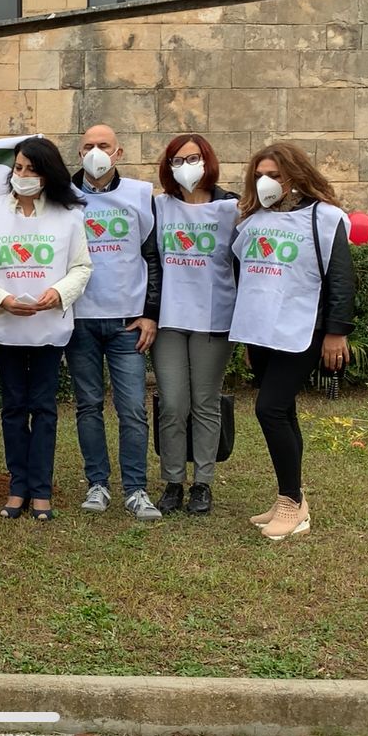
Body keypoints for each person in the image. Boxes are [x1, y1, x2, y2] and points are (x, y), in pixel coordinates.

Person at [231, 142, 354, 541]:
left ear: (295, 176)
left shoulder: (325, 218)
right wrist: (249, 339)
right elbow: (246, 280)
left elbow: (340, 278)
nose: (267, 182)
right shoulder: (250, 221)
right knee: (284, 412)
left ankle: (291, 503)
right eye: (260, 175)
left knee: (270, 409)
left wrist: (336, 332)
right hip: (262, 331)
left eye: (276, 174)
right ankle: (292, 498)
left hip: (304, 329)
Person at [0, 137, 91, 522]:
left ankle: (42, 490)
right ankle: (17, 486)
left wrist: (58, 293)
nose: (22, 176)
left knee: (44, 407)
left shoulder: (68, 215)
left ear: (47, 174)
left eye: (31, 169)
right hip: (7, 326)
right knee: (14, 407)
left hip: (48, 326)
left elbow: (81, 267)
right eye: (18, 168)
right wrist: (1, 299)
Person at [67, 124, 163, 521]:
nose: (95, 152)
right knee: (88, 406)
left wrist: (150, 313)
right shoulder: (63, 198)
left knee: (132, 410)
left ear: (118, 152)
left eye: (103, 145)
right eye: (88, 146)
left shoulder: (140, 195)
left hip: (127, 322)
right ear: (78, 153)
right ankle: (98, 484)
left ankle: (137, 490)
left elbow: (153, 258)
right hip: (79, 320)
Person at [150, 134, 239, 516]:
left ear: (209, 160)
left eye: (194, 157)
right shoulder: (158, 207)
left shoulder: (232, 207)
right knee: (172, 403)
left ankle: (202, 483)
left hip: (214, 318)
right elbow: (148, 260)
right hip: (168, 319)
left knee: (205, 402)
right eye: (178, 159)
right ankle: (172, 481)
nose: (187, 166)